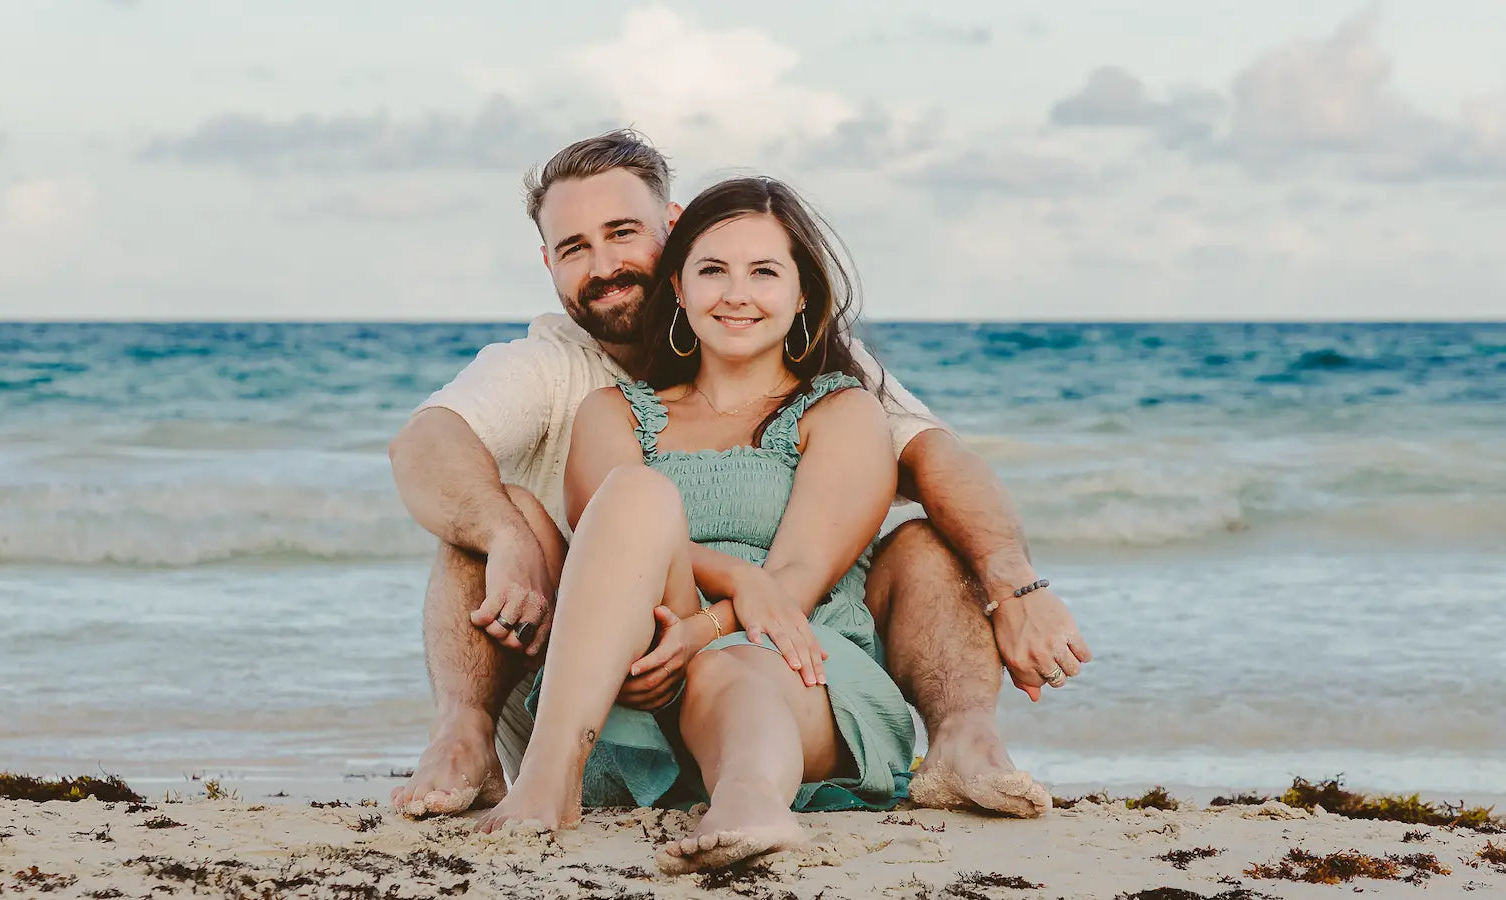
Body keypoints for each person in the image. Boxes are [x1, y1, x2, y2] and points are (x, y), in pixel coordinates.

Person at [387, 130, 1090, 824]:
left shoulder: (839, 395)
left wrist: (1015, 584)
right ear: (683, 284)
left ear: (669, 234)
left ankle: (944, 750)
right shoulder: (573, 384)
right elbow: (430, 444)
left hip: (782, 653)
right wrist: (507, 536)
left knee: (915, 549)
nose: (603, 264)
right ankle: (482, 745)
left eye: (621, 232)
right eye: (575, 248)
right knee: (517, 513)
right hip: (625, 652)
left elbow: (936, 462)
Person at [477, 176, 916, 874]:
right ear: (678, 288)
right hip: (641, 672)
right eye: (713, 271)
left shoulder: (841, 412)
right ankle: (547, 777)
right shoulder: (613, 412)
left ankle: (749, 801)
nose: (736, 293)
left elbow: (793, 584)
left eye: (764, 272)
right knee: (634, 494)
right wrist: (705, 603)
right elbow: (612, 545)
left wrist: (702, 632)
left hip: (796, 660)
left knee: (731, 669)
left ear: (802, 293)